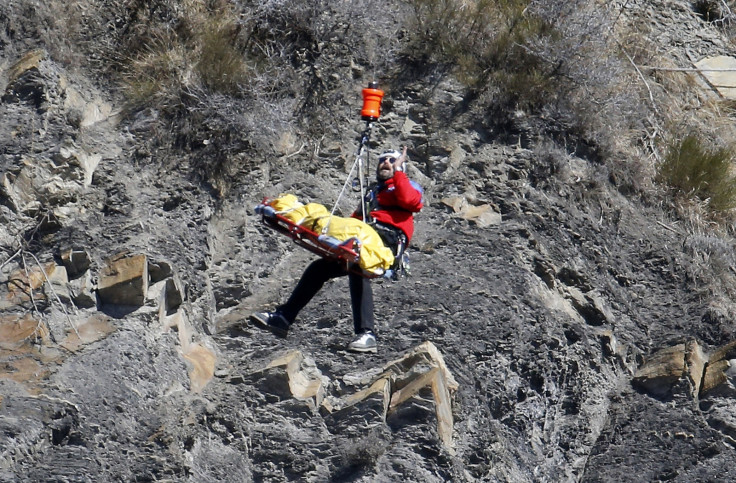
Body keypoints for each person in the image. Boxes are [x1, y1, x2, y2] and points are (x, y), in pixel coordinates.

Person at [251, 146, 423, 353]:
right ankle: (283, 317)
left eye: (391, 160)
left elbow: (409, 201)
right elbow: (354, 222)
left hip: (386, 242)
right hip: (363, 238)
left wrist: (398, 173)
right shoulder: (372, 194)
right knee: (320, 268)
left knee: (358, 266)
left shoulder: (407, 185)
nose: (386, 163)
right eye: (382, 160)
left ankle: (367, 334)